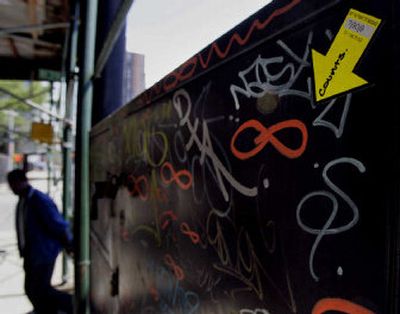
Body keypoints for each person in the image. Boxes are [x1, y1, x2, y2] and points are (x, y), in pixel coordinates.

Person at [7, 169, 73, 314]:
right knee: (32, 289)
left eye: (13, 184)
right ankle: (46, 309)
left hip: (43, 254)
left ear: (21, 182)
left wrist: (68, 243)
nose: (11, 188)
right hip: (31, 254)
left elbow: (57, 224)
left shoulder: (39, 200)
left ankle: (71, 304)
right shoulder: (25, 200)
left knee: (40, 289)